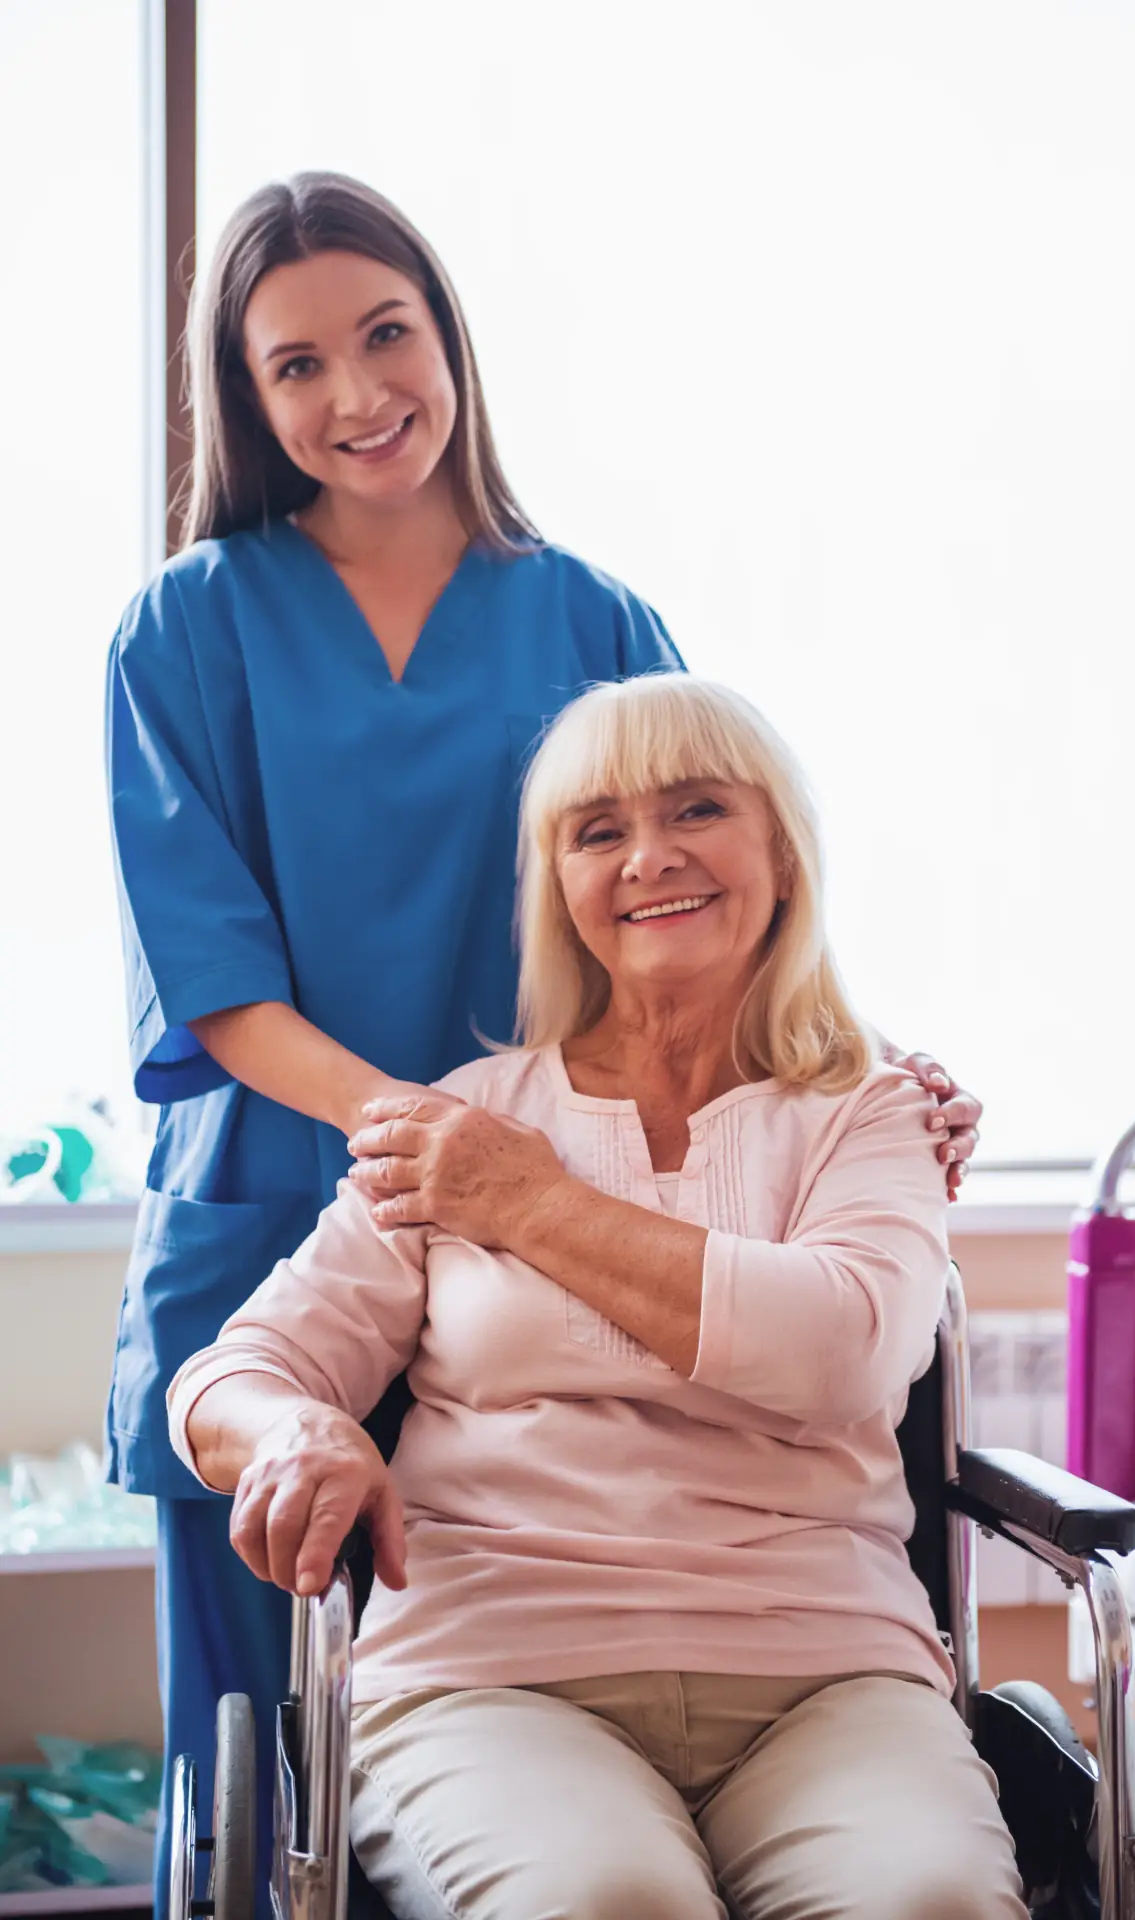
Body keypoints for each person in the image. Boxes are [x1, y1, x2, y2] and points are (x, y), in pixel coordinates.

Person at [107, 172, 981, 1911]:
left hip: (563, 1191)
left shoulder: (591, 618)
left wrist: (865, 1068)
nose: (359, 394)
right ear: (246, 400)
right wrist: (462, 1156)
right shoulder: (186, 627)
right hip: (294, 1208)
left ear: (450, 340)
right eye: (297, 365)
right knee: (261, 1803)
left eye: (388, 335)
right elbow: (212, 979)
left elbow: (710, 872)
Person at [166, 674, 1023, 1920]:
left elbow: (843, 1353)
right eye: (597, 831)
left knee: (928, 1901)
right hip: (489, 1672)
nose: (648, 857)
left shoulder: (873, 1113)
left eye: (696, 810)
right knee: (610, 1901)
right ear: (558, 889)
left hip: (823, 1670)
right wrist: (293, 1427)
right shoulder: (464, 1118)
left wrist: (529, 1205)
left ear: (782, 853)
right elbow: (232, 1375)